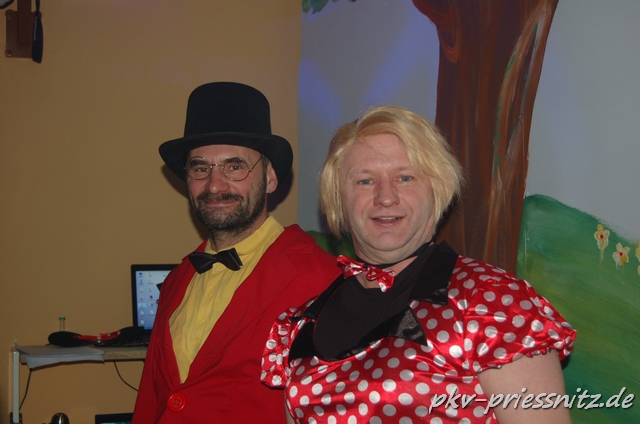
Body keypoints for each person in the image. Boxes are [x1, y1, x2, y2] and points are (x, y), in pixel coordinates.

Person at [261, 105, 577, 423]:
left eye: (405, 177)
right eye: (365, 181)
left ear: (437, 189)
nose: (386, 197)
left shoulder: (492, 302)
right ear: (338, 198)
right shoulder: (300, 324)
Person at [132, 82, 340, 423]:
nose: (214, 185)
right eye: (200, 168)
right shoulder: (176, 281)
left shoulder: (323, 281)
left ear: (270, 178)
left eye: (234, 166)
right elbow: (151, 401)